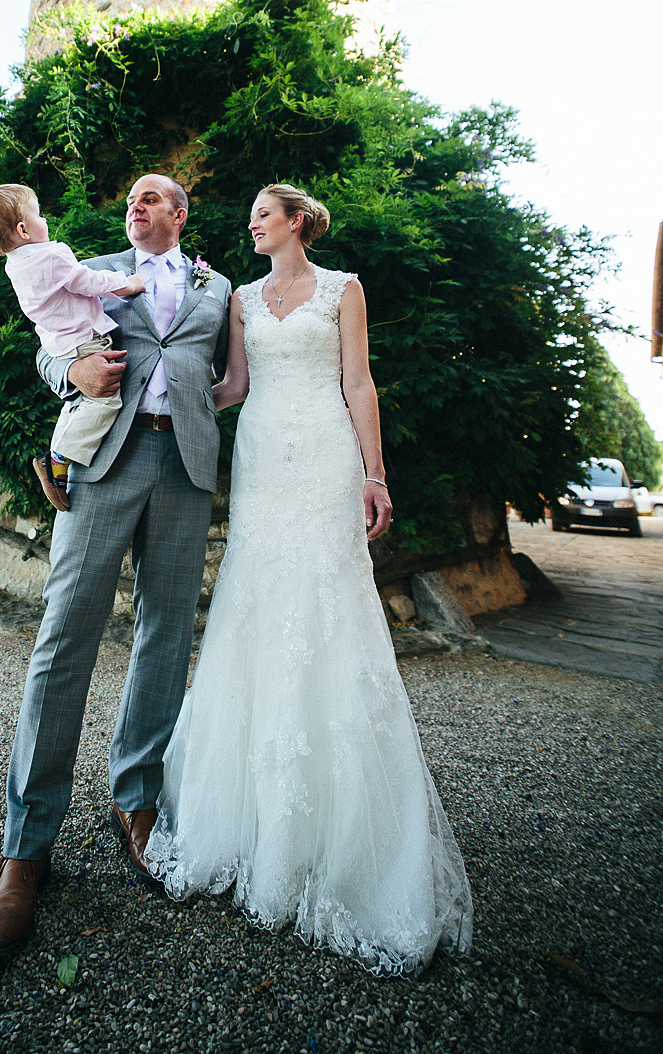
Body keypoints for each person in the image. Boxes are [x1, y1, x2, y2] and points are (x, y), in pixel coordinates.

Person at [143, 184, 473, 974]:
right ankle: (248, 821)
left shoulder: (342, 290)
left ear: (297, 222)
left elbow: (358, 383)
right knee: (256, 607)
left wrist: (376, 474)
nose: (251, 223)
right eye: (249, 215)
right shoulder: (238, 298)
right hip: (261, 460)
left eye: (263, 213)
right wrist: (167, 392)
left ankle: (344, 838)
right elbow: (233, 388)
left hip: (325, 455)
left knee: (326, 607)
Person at [0, 174, 232, 959]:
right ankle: (26, 849)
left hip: (186, 465)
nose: (137, 205)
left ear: (179, 214)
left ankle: (138, 802)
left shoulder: (217, 286)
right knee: (64, 637)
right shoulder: (81, 264)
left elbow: (230, 374)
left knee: (164, 636)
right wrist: (74, 376)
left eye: (152, 197)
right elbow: (50, 350)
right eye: (130, 199)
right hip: (106, 460)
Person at [0, 183, 147, 512]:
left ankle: (56, 456)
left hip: (61, 343)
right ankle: (59, 459)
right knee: (105, 402)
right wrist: (128, 283)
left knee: (77, 404)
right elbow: (89, 281)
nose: (44, 218)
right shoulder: (50, 256)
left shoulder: (15, 265)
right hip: (84, 341)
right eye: (37, 213)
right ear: (23, 229)